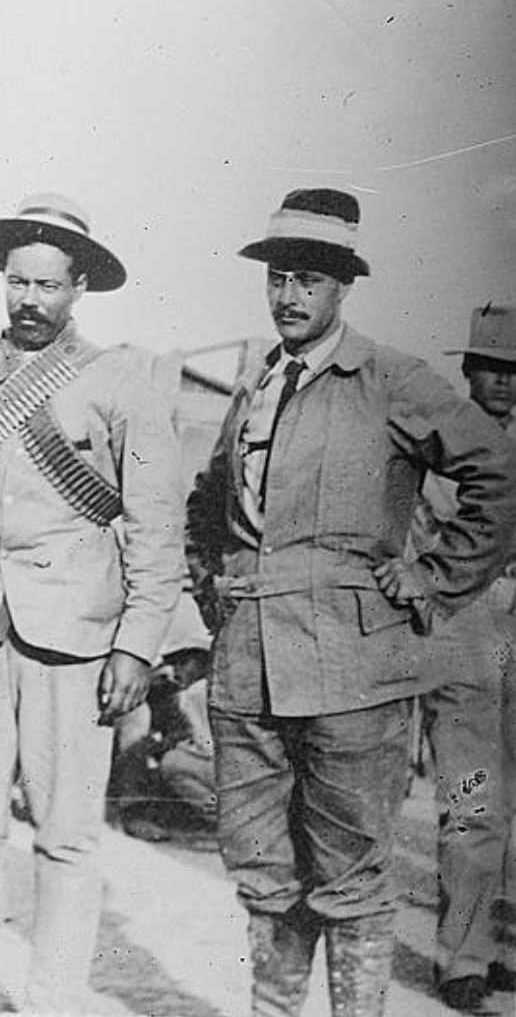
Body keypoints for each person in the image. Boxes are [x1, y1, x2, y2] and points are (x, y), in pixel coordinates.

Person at [185, 190, 516, 1017]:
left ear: (343, 289)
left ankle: (461, 955)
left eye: (310, 281)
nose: (289, 295)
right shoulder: (258, 382)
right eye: (279, 278)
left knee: (401, 844)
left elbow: (497, 477)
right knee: (264, 870)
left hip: (369, 672)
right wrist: (213, 593)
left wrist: (436, 577)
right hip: (253, 668)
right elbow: (210, 502)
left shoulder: (390, 378)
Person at [0, 192, 184, 1012]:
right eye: (17, 281)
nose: (28, 299)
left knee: (66, 837)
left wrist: (137, 645)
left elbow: (157, 531)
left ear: (78, 287)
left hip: (77, 635)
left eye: (47, 285)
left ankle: (54, 998)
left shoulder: (119, 381)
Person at [419, 302, 516, 1011]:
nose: (506, 384)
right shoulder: (440, 443)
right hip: (465, 623)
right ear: (468, 370)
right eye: (493, 368)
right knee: (471, 794)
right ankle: (464, 957)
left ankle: (500, 945)